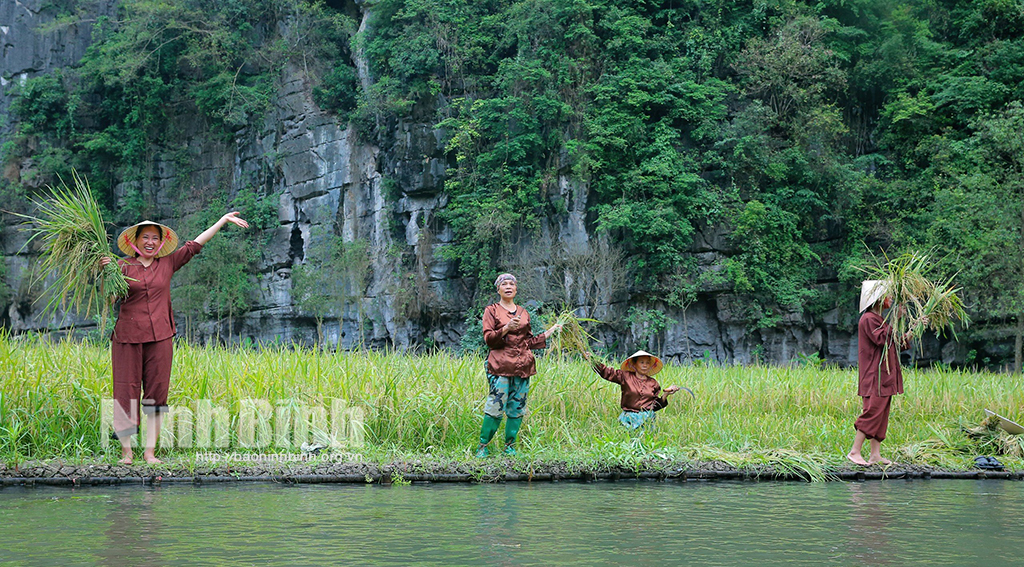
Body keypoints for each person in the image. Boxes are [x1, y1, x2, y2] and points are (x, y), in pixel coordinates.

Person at [101, 212, 249, 464]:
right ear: (135, 241)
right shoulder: (122, 266)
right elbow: (110, 300)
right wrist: (107, 274)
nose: (149, 241)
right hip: (127, 336)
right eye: (145, 237)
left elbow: (195, 245)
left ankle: (150, 452)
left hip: (161, 337)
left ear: (160, 242)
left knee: (157, 392)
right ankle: (127, 452)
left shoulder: (168, 263)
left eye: (154, 238)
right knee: (125, 390)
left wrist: (221, 220)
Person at [476, 273, 562, 457]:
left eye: (512, 284)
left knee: (517, 407)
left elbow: (528, 342)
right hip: (500, 366)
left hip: (523, 366)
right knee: (496, 406)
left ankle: (510, 447)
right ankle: (483, 446)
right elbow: (489, 340)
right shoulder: (491, 310)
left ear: (516, 289)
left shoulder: (524, 312)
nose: (508, 286)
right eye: (504, 284)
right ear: (498, 289)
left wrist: (549, 332)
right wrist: (506, 328)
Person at [847, 280, 923, 466]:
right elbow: (883, 339)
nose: (890, 299)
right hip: (875, 376)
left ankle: (875, 454)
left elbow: (896, 343)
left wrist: (914, 328)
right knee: (872, 412)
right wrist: (896, 318)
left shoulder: (879, 320)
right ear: (878, 299)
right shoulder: (869, 319)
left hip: (884, 376)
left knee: (882, 413)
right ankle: (855, 451)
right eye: (887, 296)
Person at [583, 350, 683, 429]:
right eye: (642, 362)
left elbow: (654, 406)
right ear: (634, 364)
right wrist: (592, 360)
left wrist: (666, 394)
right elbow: (606, 372)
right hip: (628, 419)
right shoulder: (625, 376)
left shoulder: (653, 383)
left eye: (648, 363)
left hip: (646, 421)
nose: (645, 365)